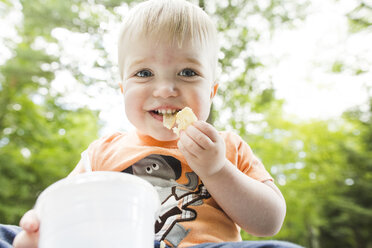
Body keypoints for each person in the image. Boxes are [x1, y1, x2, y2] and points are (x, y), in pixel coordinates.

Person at [0, 0, 303, 247]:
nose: (165, 90)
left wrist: (217, 169)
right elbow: (65, 204)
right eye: (144, 73)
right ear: (123, 89)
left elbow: (269, 221)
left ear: (211, 91)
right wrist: (39, 229)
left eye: (187, 72)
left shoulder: (226, 147)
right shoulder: (102, 152)